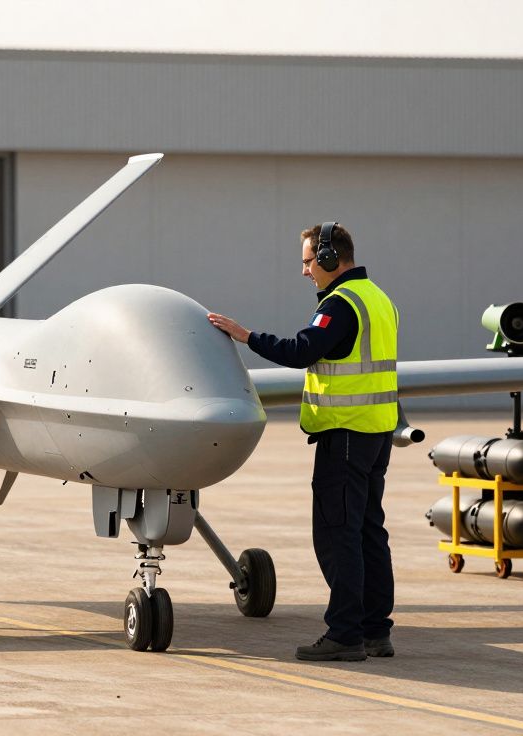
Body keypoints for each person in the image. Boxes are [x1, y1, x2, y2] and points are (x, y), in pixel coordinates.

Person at [208, 222, 397, 662]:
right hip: (376, 432)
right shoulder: (378, 298)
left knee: (339, 536)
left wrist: (245, 335)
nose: (306, 271)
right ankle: (375, 631)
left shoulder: (341, 304)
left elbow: (300, 351)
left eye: (309, 261)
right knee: (370, 532)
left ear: (332, 259)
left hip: (346, 433)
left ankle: (345, 635)